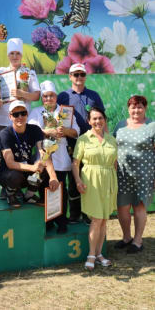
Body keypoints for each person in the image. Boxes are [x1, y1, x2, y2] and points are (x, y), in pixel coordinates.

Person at [0, 38, 41, 199]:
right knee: (1, 155)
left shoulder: (29, 72)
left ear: (21, 55)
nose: (15, 56)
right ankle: (7, 187)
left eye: (18, 53)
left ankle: (24, 187)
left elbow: (36, 95)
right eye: (12, 53)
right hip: (1, 121)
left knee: (24, 153)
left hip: (21, 121)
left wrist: (22, 94)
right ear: (8, 55)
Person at [28, 80, 79, 234]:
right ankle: (48, 222)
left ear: (56, 97)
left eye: (51, 96)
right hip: (43, 158)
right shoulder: (36, 112)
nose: (48, 99)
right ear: (42, 98)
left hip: (62, 157)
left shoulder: (65, 112)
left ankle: (62, 222)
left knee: (60, 192)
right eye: (45, 97)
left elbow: (76, 132)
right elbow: (30, 130)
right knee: (45, 191)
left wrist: (65, 131)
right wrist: (47, 131)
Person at [57, 63, 105, 224]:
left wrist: (102, 140)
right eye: (75, 74)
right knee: (73, 179)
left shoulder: (94, 96)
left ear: (85, 76)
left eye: (82, 74)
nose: (79, 77)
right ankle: (75, 214)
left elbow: (102, 119)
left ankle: (87, 213)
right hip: (70, 143)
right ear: (70, 76)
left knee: (89, 178)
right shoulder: (62, 96)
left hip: (91, 143)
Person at [71, 107, 117, 271]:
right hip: (91, 181)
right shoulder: (83, 139)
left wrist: (113, 182)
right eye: (94, 119)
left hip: (109, 181)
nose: (98, 121)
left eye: (100, 118)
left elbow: (115, 163)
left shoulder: (112, 139)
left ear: (104, 120)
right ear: (89, 121)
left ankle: (99, 254)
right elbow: (75, 163)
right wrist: (78, 181)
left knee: (104, 219)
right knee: (97, 218)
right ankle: (91, 254)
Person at [113, 95, 155, 253]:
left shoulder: (152, 126)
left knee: (139, 207)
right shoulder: (120, 125)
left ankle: (137, 241)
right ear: (128, 109)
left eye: (140, 107)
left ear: (145, 108)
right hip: (122, 174)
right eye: (133, 107)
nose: (136, 110)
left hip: (144, 175)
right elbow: (114, 147)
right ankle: (126, 237)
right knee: (122, 207)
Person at [0, 100, 59, 207]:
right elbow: (10, 163)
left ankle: (29, 196)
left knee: (43, 166)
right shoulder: (5, 134)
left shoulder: (35, 130)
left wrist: (53, 177)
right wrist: (33, 168)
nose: (20, 117)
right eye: (16, 114)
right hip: (9, 175)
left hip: (28, 176)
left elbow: (43, 153)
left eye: (23, 113)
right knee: (15, 175)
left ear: (27, 114)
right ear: (10, 117)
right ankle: (10, 194)